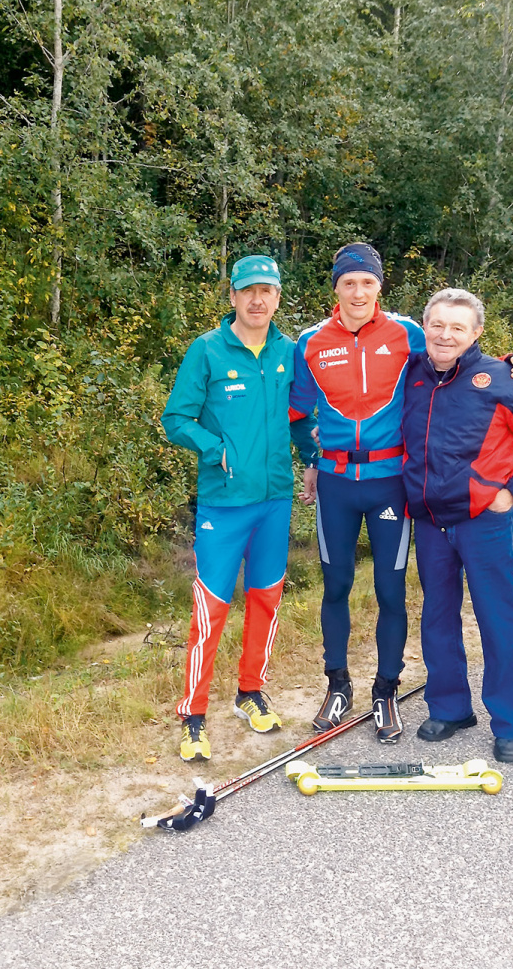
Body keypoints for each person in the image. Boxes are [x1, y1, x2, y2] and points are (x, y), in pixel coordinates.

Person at [288, 243, 513, 743]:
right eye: (348, 282)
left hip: (392, 483)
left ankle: (386, 689)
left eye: (367, 282)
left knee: (391, 590)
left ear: (380, 285)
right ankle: (338, 685)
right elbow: (297, 415)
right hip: (337, 483)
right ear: (335, 286)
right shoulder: (309, 342)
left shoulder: (409, 334)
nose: (358, 291)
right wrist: (311, 462)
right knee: (336, 586)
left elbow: (459, 357)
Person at [161, 255, 317, 762]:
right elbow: (176, 418)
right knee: (211, 610)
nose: (257, 300)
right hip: (224, 504)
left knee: (267, 599)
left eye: (267, 291)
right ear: (232, 297)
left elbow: (299, 418)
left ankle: (250, 693)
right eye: (248, 290)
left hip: (274, 500)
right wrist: (215, 448)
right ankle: (193, 716)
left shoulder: (289, 351)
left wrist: (314, 459)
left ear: (277, 297)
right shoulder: (207, 350)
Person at [401, 288, 513, 764]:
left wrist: (510, 492)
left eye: (458, 327)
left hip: (483, 522)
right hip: (431, 522)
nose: (446, 335)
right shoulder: (411, 373)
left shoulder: (499, 378)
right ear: (424, 327)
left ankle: (511, 723)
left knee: (498, 621)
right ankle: (451, 709)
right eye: (438, 325)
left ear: (476, 333)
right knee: (437, 617)